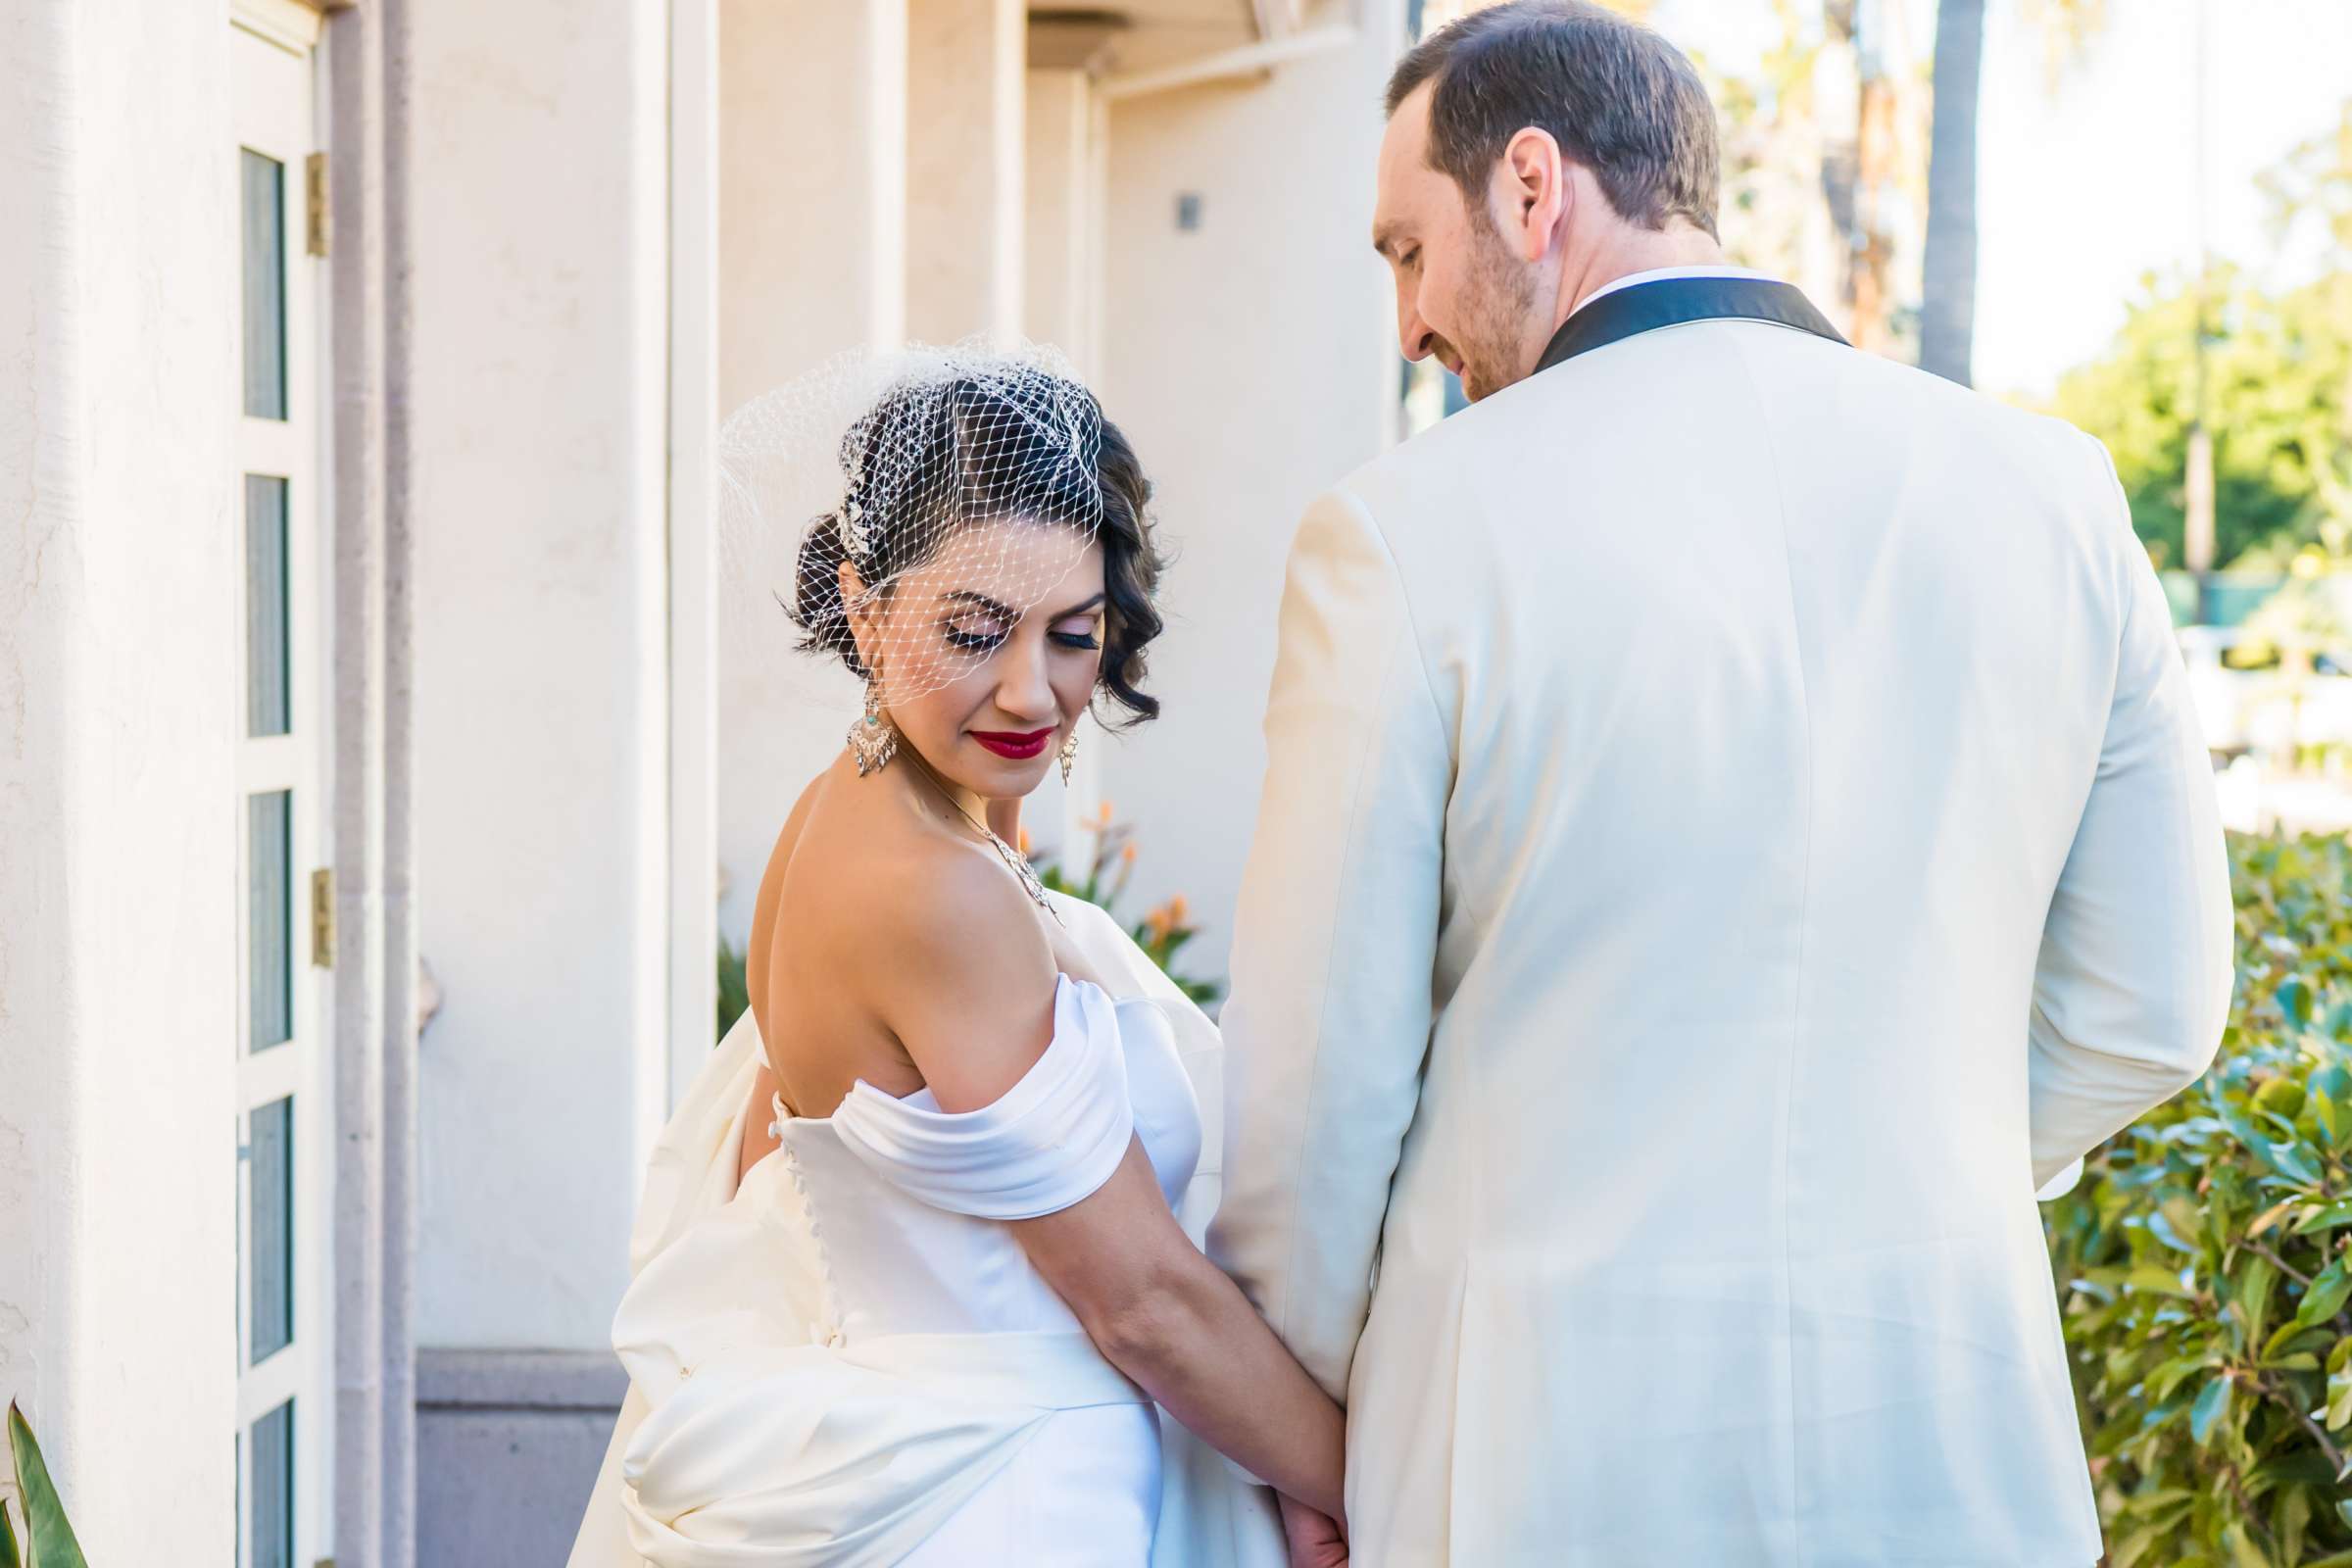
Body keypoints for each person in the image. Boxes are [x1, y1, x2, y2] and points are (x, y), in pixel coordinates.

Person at [1208, 3, 2233, 1563]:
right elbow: (2153, 1007)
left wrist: (1293, 1434)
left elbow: (1315, 1103)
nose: (1408, 326)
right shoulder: (2057, 496)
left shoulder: (1403, 534)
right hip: (1952, 1453)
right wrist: (1888, 1170)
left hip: (1529, 1468)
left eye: (1406, 252)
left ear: (1533, 188)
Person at [566, 348, 1323, 1566]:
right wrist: (1360, 1481)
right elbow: (1142, 1302)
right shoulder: (932, 893)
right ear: (865, 609)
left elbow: (785, 1169)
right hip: (1010, 1507)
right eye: (976, 633)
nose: (1032, 692)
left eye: (1075, 635)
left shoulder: (865, 809)